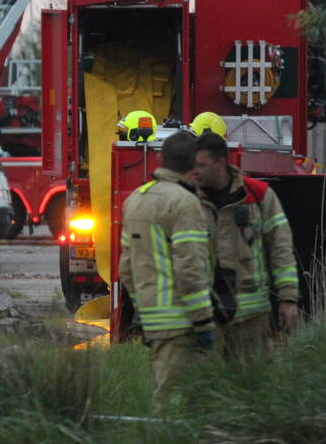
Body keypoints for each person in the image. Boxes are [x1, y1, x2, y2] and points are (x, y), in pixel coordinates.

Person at [118, 131, 215, 414]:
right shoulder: (185, 203)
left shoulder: (136, 198)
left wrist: (143, 307)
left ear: (162, 158)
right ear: (194, 164)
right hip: (184, 320)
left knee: (168, 393)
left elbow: (126, 267)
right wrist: (205, 323)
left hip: (153, 318)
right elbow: (190, 268)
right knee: (180, 404)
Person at [192, 131, 300, 359]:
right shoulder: (188, 199)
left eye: (202, 165)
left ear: (221, 163)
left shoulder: (258, 195)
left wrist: (288, 299)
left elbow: (281, 250)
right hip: (204, 317)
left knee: (253, 385)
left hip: (251, 319)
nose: (196, 171)